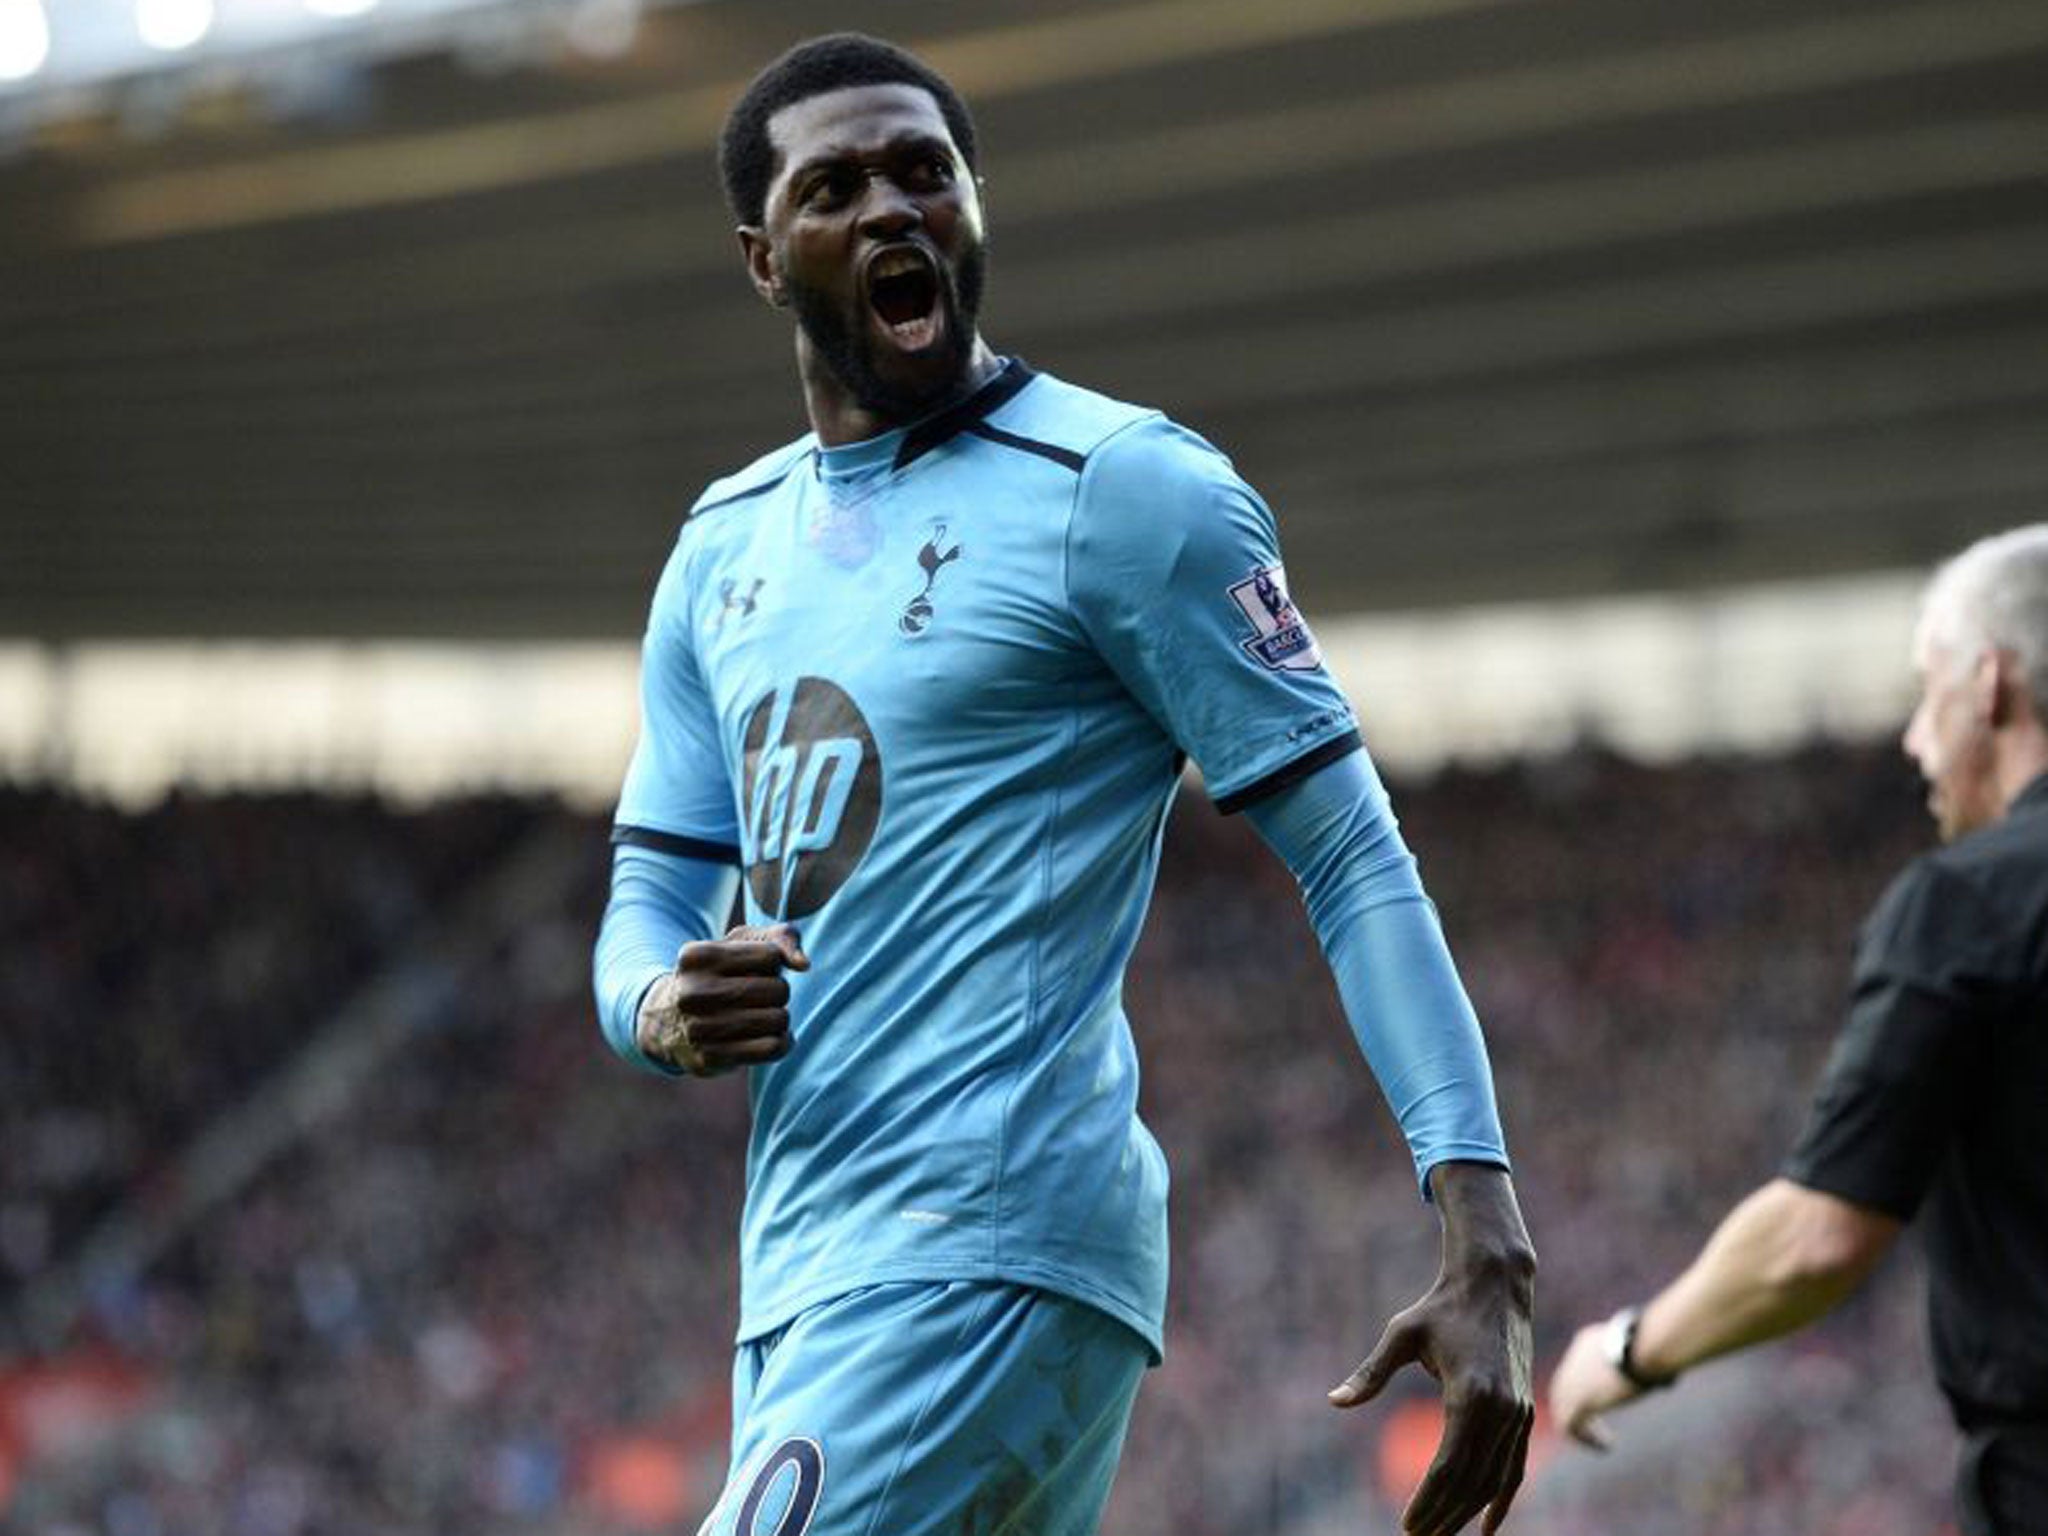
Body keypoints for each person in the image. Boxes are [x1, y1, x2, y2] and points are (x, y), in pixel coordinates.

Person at [593, 33, 1536, 1536]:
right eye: (837, 188)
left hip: (987, 1251)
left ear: (975, 206)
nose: (893, 208)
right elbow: (648, 897)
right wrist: (655, 1009)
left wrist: (1481, 1227)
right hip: (804, 1278)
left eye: (926, 171)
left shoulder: (1123, 491)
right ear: (766, 259)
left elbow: (1354, 858)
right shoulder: (723, 547)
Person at [1547, 525, 2048, 1536]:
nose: (1912, 738)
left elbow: (1816, 1237)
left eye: (1926, 689)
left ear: (1989, 684)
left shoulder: (1968, 906)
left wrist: (1626, 1353)